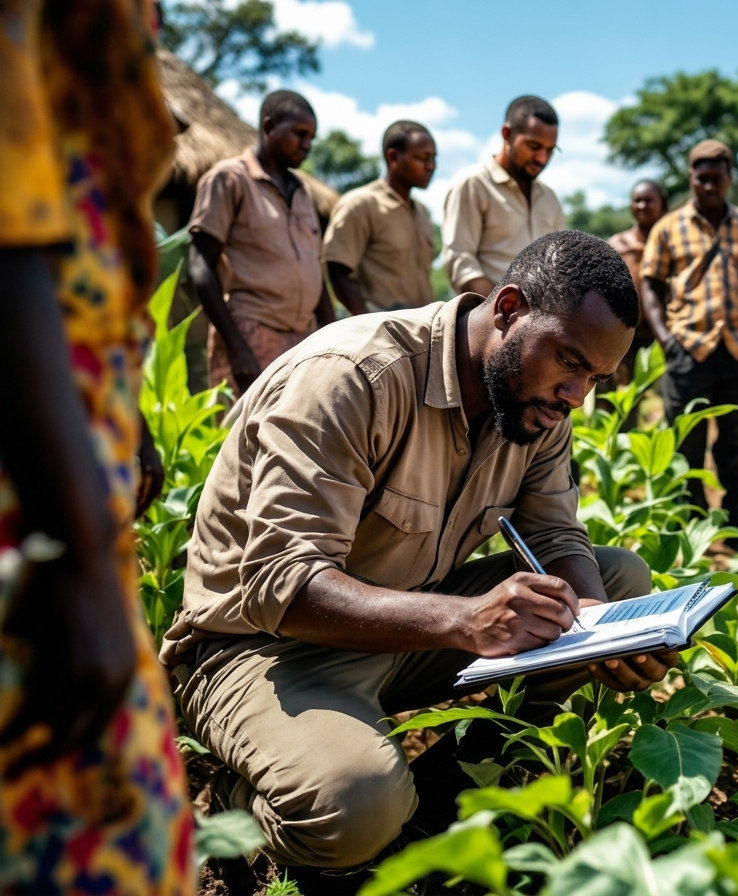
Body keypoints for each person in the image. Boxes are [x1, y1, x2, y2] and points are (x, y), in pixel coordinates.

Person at [161, 231, 672, 874]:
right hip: (261, 647)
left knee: (617, 579)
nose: (578, 395)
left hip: (401, 627)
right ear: (509, 308)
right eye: (570, 361)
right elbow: (280, 582)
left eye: (595, 377)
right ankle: (239, 809)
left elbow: (555, 536)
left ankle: (436, 806)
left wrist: (598, 635)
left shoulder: (535, 405)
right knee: (356, 807)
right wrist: (462, 621)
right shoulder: (352, 377)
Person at [0, 1, 193, 892]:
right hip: (30, 494)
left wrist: (124, 413)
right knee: (101, 823)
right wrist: (71, 552)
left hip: (63, 444)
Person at [639, 140, 738, 551]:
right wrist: (665, 338)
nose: (709, 186)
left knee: (737, 442)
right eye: (702, 178)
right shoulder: (668, 228)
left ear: (730, 178)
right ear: (691, 179)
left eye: (717, 178)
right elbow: (650, 282)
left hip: (737, 349)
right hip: (687, 348)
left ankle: (734, 520)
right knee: (686, 442)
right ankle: (691, 522)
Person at [188, 89, 335, 397]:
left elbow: (314, 270)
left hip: (303, 341)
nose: (307, 145)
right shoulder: (229, 180)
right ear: (268, 127)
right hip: (251, 335)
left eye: (311, 138)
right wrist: (237, 347)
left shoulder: (303, 192)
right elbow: (201, 265)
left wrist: (329, 337)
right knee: (246, 439)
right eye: (299, 134)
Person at [442, 96, 565, 296]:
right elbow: (460, 261)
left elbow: (560, 264)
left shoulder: (549, 198)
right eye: (533, 146)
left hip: (542, 321)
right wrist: (504, 312)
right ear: (507, 134)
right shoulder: (473, 184)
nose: (542, 158)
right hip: (490, 319)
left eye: (550, 150)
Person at [324, 120, 437, 314]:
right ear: (393, 157)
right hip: (381, 332)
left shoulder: (422, 213)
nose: (431, 166)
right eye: (422, 158)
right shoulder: (361, 205)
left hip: (422, 331)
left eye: (434, 158)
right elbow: (337, 272)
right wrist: (370, 325)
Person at [606, 179, 668, 386]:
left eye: (649, 201)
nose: (642, 206)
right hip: (620, 336)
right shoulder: (618, 245)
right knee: (618, 398)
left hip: (661, 336)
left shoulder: (673, 244)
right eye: (637, 201)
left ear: (662, 204)